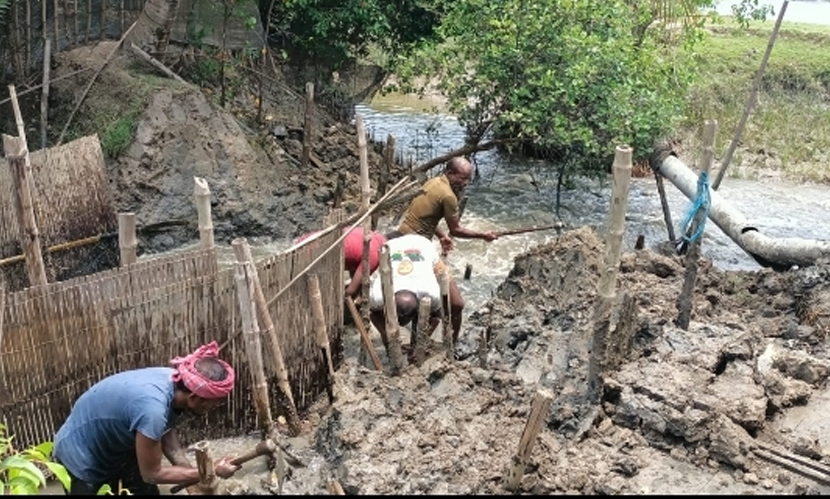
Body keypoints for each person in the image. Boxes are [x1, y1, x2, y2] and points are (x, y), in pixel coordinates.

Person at [53, 342, 240, 495]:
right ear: (193, 397)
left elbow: (166, 432)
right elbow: (152, 473)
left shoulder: (174, 381)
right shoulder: (153, 410)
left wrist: (193, 481)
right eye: (212, 404)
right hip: (81, 459)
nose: (212, 409)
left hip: (117, 448)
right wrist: (209, 471)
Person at [395, 156, 499, 344]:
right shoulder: (449, 196)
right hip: (419, 250)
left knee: (425, 299)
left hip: (403, 239)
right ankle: (450, 345)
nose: (466, 183)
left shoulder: (431, 182)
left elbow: (424, 217)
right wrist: (484, 235)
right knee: (457, 304)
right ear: (450, 173)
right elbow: (456, 230)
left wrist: (441, 236)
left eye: (468, 178)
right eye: (462, 178)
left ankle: (417, 343)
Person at [368, 233, 444, 355]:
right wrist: (385, 334)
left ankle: (414, 348)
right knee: (389, 335)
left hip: (423, 244)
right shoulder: (378, 295)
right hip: (392, 246)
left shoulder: (431, 292)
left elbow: (436, 316)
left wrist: (420, 341)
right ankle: (394, 352)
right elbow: (373, 314)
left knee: (450, 303)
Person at [294, 227, 387, 299]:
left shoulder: (371, 234)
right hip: (310, 254)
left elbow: (355, 268)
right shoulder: (375, 255)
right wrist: (345, 300)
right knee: (305, 291)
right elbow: (351, 290)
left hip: (305, 241)